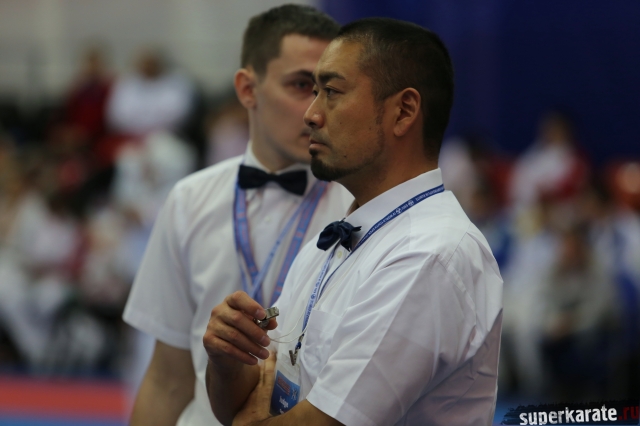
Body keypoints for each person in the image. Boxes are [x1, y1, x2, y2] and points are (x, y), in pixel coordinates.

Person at [204, 18, 504, 426]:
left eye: (331, 92)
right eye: (314, 92)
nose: (311, 114)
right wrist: (226, 360)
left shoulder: (429, 255)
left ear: (403, 112)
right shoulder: (329, 244)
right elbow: (257, 392)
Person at [123, 5, 350, 426]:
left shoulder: (359, 206)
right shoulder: (189, 200)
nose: (316, 110)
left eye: (329, 89)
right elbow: (167, 379)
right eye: (302, 85)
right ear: (248, 89)